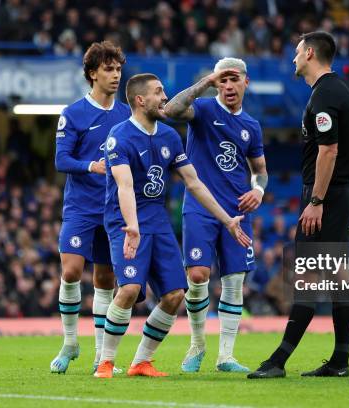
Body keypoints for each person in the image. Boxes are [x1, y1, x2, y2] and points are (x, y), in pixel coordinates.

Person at [94, 73, 251, 378]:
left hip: (158, 222)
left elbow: (194, 182)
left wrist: (227, 219)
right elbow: (124, 187)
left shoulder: (168, 136)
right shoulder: (119, 136)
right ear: (141, 100)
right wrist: (132, 226)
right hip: (125, 223)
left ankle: (141, 361)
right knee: (129, 289)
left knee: (176, 294)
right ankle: (106, 360)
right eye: (158, 92)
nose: (165, 97)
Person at [248, 31, 349, 379]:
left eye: (297, 52)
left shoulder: (325, 95)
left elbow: (329, 151)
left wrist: (316, 201)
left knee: (309, 274)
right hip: (339, 194)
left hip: (327, 195)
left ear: (310, 53)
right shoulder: (334, 90)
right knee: (336, 275)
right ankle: (339, 361)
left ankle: (279, 360)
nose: (293, 58)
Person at [164, 57, 267, 373]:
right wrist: (204, 83)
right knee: (197, 276)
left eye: (234, 79)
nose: (228, 85)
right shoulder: (204, 110)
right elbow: (170, 110)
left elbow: (260, 171)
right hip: (200, 207)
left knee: (235, 281)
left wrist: (258, 190)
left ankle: (226, 356)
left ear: (245, 82)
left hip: (237, 210)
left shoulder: (251, 125)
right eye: (223, 80)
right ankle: (197, 344)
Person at [50, 41, 131, 375]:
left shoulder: (127, 113)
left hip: (113, 210)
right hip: (81, 208)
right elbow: (61, 159)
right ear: (92, 73)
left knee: (104, 279)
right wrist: (90, 167)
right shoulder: (73, 113)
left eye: (118, 69)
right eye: (108, 69)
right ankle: (70, 342)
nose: (115, 75)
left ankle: (101, 354)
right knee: (70, 271)